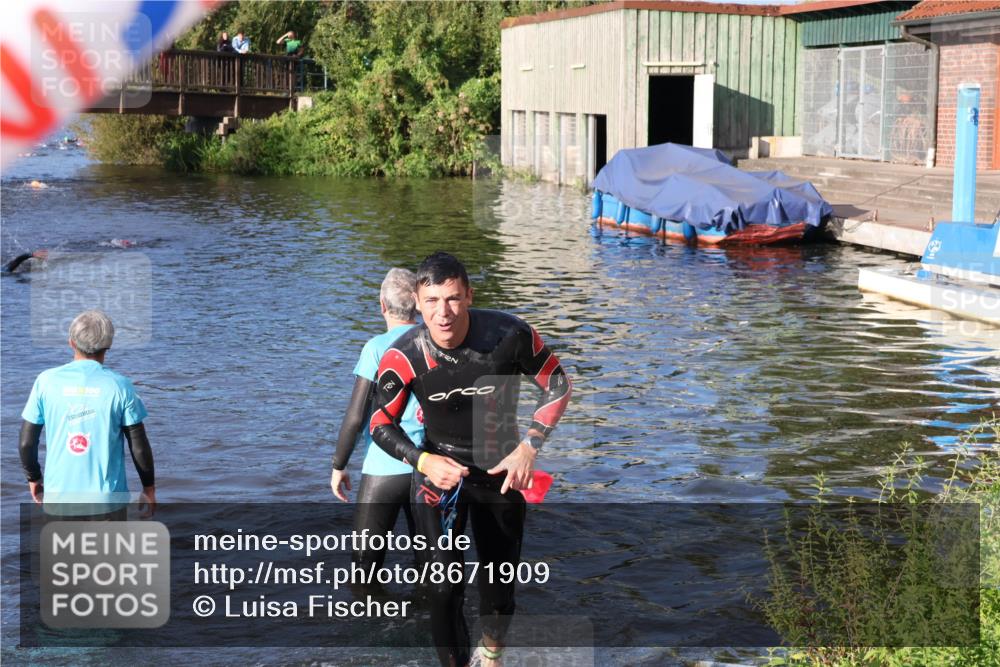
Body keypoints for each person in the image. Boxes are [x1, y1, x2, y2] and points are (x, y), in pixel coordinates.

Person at [370, 252, 572, 667]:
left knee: (499, 590)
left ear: (469, 296)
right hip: (437, 477)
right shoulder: (404, 353)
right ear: (417, 301)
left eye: (453, 299)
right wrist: (422, 462)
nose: (443, 314)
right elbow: (378, 423)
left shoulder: (509, 334)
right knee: (443, 589)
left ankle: (492, 653)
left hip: (500, 474)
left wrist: (529, 446)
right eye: (432, 302)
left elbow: (558, 385)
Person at [19, 310, 155, 518]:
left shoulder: (45, 382)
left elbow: (27, 444)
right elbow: (139, 446)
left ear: (71, 343)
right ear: (107, 346)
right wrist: (149, 489)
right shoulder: (120, 386)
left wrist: (34, 478)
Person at [330, 268, 422, 570]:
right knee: (432, 568)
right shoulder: (434, 342)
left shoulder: (376, 348)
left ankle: (371, 616)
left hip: (384, 468)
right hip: (429, 467)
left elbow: (357, 417)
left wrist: (339, 465)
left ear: (382, 305)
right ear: (419, 304)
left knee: (364, 569)